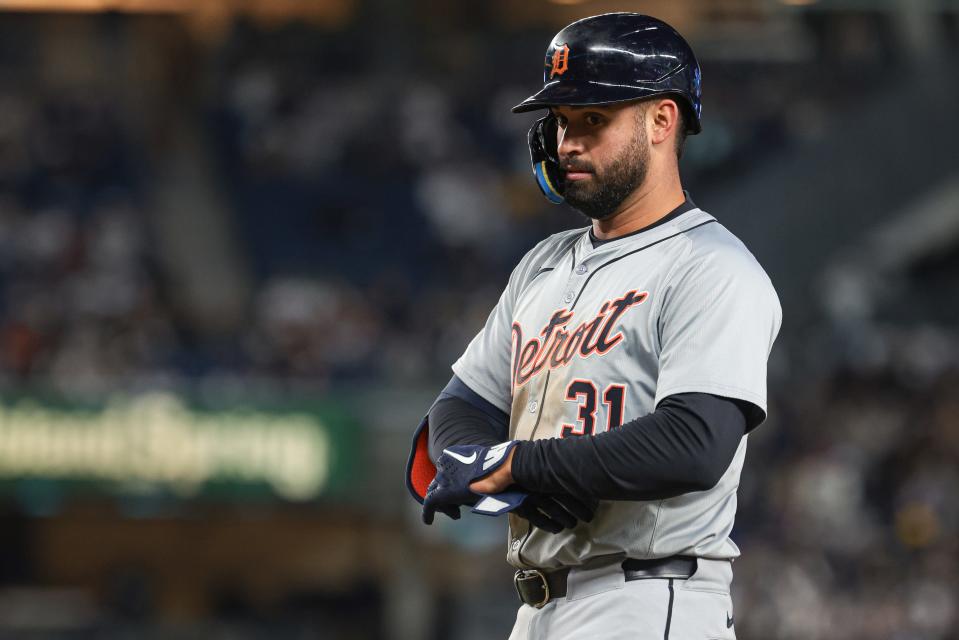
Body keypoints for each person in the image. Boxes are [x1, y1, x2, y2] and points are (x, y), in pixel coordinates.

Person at [405, 13, 781, 640]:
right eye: (560, 122)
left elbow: (695, 445)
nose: (567, 142)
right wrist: (506, 472)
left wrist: (524, 467)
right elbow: (459, 408)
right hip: (540, 607)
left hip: (647, 596)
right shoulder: (542, 265)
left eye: (592, 120)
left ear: (662, 121)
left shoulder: (712, 269)